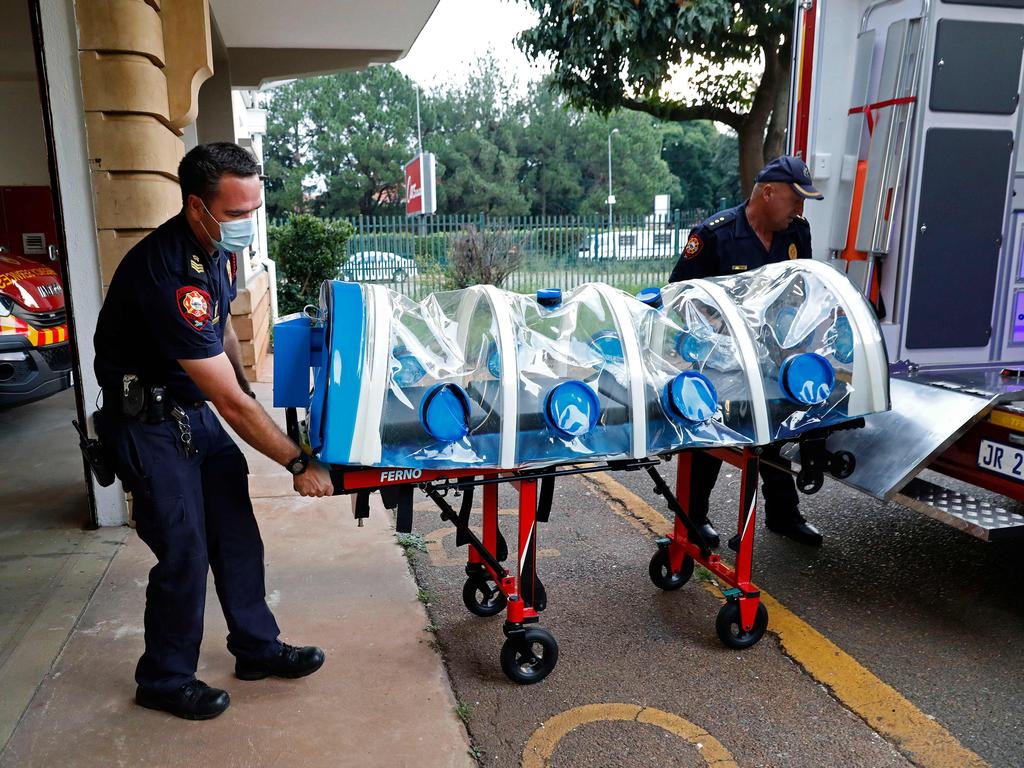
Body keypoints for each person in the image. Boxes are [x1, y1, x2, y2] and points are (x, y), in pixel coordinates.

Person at [94, 142, 335, 720]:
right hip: (148, 425)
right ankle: (163, 678)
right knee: (184, 551)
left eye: (254, 209)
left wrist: (247, 391)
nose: (247, 223)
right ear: (197, 207)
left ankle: (255, 647)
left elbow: (223, 330)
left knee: (235, 534)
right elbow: (224, 398)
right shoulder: (169, 273)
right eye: (235, 213)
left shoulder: (215, 255)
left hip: (191, 412)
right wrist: (298, 461)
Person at [669, 155, 825, 548]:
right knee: (710, 437)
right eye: (795, 200)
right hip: (719, 360)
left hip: (772, 356)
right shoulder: (715, 235)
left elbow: (802, 290)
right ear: (768, 193)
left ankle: (783, 514)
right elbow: (679, 297)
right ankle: (692, 519)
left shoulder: (796, 234)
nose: (800, 211)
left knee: (774, 430)